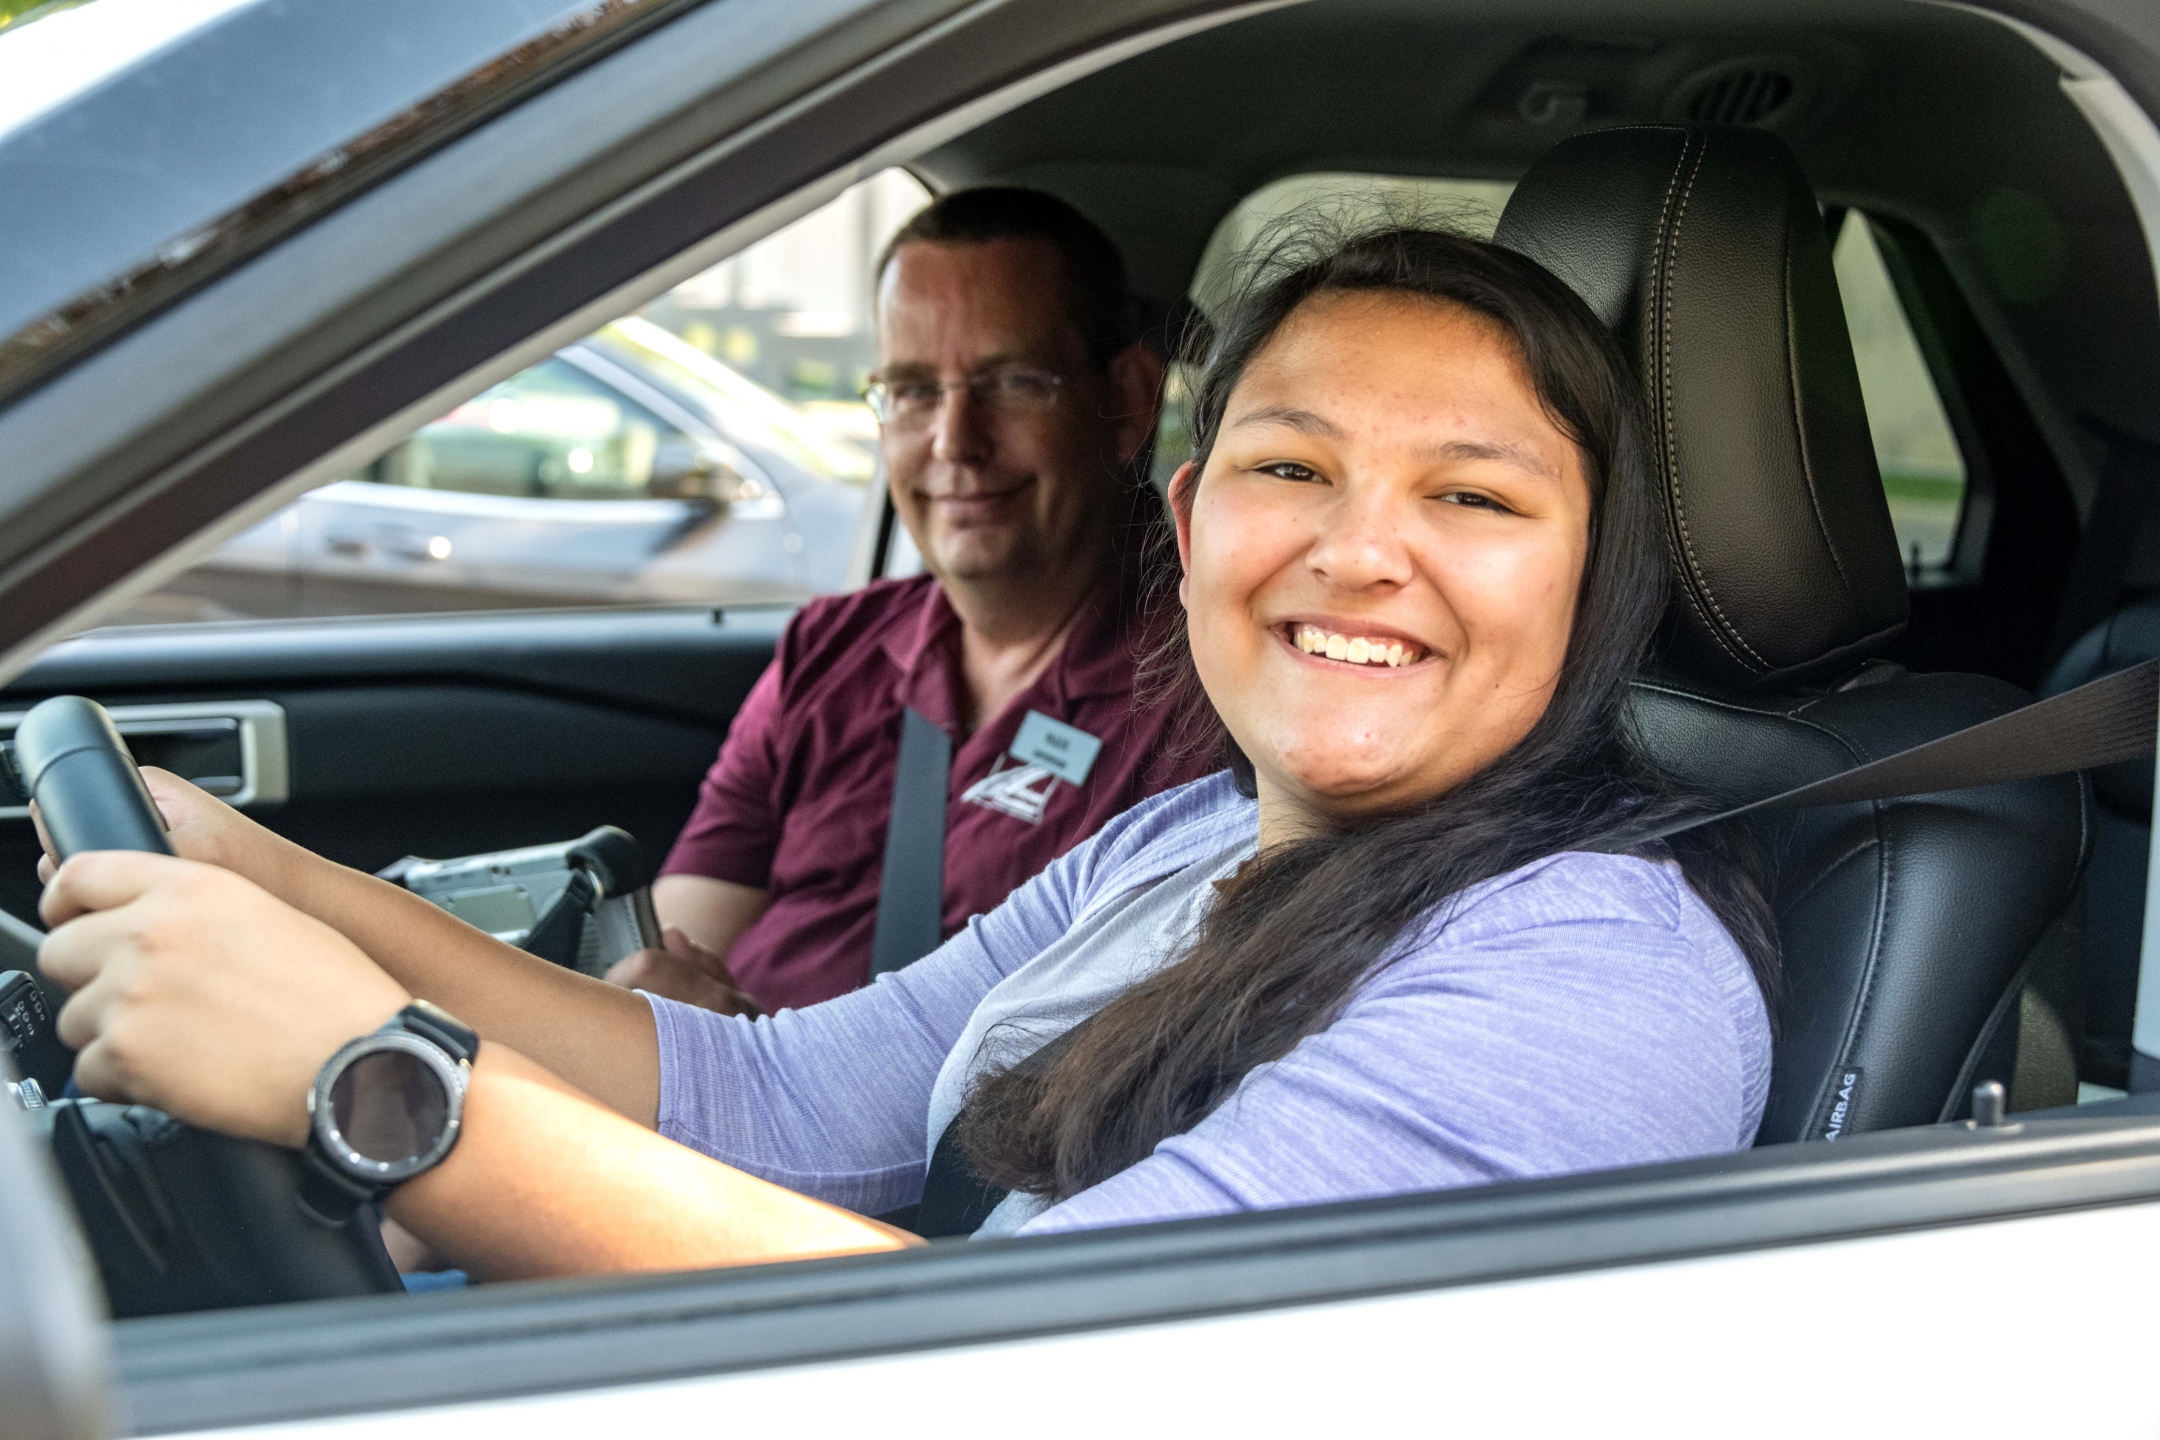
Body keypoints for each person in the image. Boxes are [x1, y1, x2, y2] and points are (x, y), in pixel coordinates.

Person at [35, 224, 1779, 1279]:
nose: (1357, 551)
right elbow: (769, 1102)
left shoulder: (1596, 970)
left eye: (1473, 497)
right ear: (1188, 513)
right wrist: (272, 879)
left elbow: (1059, 1364)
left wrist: (375, 1091)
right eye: (1290, 468)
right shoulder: (1184, 839)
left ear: (1595, 569)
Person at [613, 187, 1211, 1017]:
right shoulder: (830, 649)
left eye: (1011, 383)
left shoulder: (1210, 687)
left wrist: (755, 1061)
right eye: (914, 390)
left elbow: (1107, 1077)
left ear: (1128, 402)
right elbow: (670, 963)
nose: (954, 442)